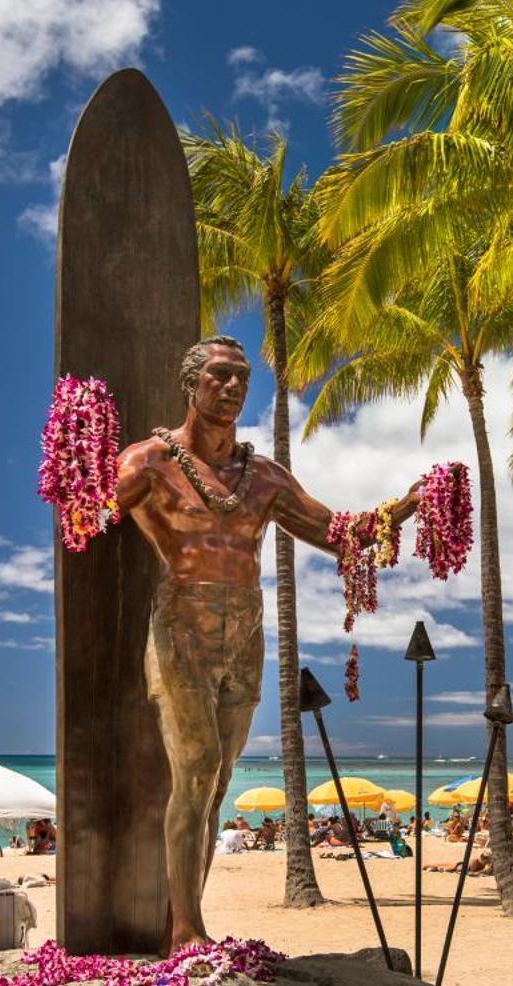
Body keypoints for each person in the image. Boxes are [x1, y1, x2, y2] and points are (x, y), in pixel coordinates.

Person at [113, 334, 422, 952]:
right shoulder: (149, 462)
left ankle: (190, 921)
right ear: (192, 384)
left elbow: (338, 534)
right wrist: (75, 447)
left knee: (218, 781)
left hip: (246, 630)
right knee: (196, 768)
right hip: (182, 622)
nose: (231, 387)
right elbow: (87, 513)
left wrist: (407, 509)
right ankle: (184, 929)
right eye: (220, 376)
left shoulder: (264, 478)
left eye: (241, 379)